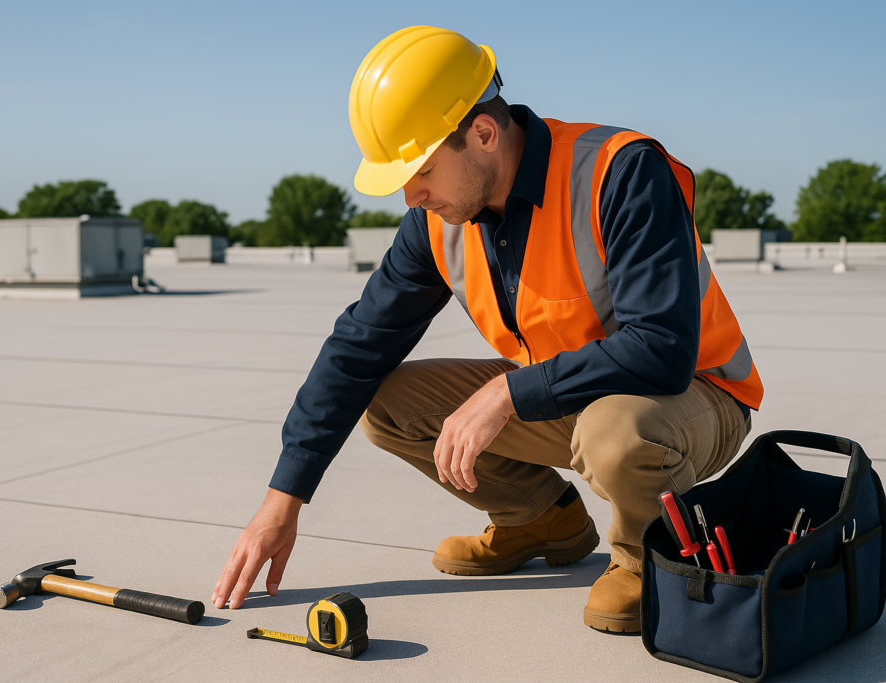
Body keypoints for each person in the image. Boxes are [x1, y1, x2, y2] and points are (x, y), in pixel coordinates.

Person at [212, 25, 763, 634]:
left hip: (692, 398)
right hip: (570, 397)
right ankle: (536, 519)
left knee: (617, 433)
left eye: (419, 170)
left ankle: (642, 557)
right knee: (385, 404)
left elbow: (661, 349)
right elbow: (357, 347)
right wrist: (280, 502)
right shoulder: (437, 220)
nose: (409, 195)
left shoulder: (621, 172)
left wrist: (506, 393)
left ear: (482, 133)